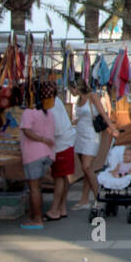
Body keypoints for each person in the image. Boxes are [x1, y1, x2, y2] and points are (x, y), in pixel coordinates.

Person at [72, 79, 117, 210]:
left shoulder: (93, 96)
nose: (71, 92)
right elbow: (80, 117)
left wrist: (112, 128)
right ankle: (84, 199)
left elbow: (103, 113)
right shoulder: (79, 100)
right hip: (80, 133)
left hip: (91, 134)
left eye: (72, 89)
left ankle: (99, 196)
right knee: (86, 168)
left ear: (77, 87)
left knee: (87, 167)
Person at [19, 101, 56, 229]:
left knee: (34, 188)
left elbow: (26, 131)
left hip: (34, 154)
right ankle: (33, 215)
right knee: (37, 187)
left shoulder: (28, 112)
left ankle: (37, 219)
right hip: (48, 153)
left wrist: (41, 139)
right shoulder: (48, 113)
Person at [45, 83, 77, 220]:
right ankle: (61, 207)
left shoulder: (51, 106)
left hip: (61, 144)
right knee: (63, 177)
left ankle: (54, 210)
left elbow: (56, 130)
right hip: (66, 142)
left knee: (59, 177)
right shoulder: (56, 101)